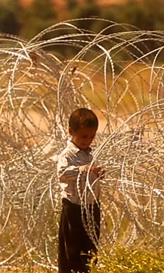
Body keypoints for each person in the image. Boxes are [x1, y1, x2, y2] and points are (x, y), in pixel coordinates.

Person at [57, 108, 105, 273]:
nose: (88, 140)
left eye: (92, 136)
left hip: (92, 205)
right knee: (71, 247)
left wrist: (99, 173)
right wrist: (81, 169)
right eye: (84, 136)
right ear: (71, 131)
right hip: (74, 207)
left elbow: (94, 175)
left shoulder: (92, 154)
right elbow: (62, 174)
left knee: (90, 246)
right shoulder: (68, 155)